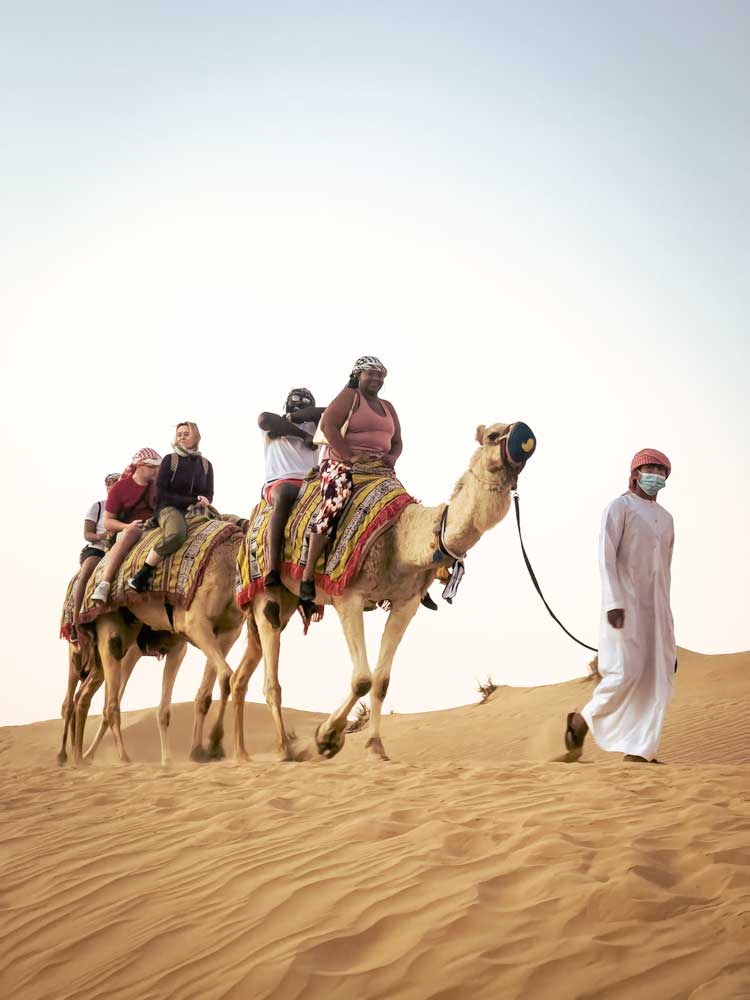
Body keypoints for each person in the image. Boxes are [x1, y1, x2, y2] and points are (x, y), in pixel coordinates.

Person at [565, 448, 676, 764]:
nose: (657, 474)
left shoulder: (666, 519)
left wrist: (667, 628)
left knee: (658, 679)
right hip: (623, 606)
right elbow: (605, 556)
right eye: (651, 467)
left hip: (657, 610)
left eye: (662, 470)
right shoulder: (619, 507)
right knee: (623, 673)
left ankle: (641, 751)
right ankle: (580, 721)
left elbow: (665, 571)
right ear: (636, 473)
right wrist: (613, 601)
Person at [300, 356, 403, 603]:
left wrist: (392, 458)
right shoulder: (350, 397)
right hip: (340, 463)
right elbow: (328, 426)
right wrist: (349, 456)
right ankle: (307, 573)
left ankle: (405, 580)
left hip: (379, 468)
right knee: (338, 497)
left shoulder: (388, 406)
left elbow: (397, 442)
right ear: (358, 375)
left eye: (380, 375)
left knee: (403, 506)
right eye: (371, 374)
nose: (376, 379)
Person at [127, 422, 213, 592]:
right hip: (169, 508)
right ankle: (143, 573)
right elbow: (162, 494)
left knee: (230, 523)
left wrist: (205, 500)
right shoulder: (170, 460)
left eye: (186, 434)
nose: (181, 437)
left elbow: (209, 493)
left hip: (196, 509)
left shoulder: (206, 464)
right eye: (179, 434)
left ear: (195, 437)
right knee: (176, 534)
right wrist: (192, 499)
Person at [258, 388, 325, 592]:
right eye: (295, 400)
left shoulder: (317, 426)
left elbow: (330, 410)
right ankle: (272, 568)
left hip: (311, 482)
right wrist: (302, 434)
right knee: (286, 494)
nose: (300, 403)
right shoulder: (274, 424)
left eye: (306, 402)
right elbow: (264, 419)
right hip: (280, 481)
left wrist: (296, 418)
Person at [90, 447, 162, 603]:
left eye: (157, 467)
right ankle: (105, 583)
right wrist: (126, 526)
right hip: (130, 528)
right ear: (140, 466)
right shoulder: (120, 489)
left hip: (155, 526)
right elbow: (108, 522)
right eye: (152, 467)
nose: (156, 471)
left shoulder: (158, 487)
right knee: (131, 533)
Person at [69, 473, 120, 641]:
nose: (112, 487)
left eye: (116, 483)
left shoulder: (127, 508)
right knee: (87, 571)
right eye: (109, 484)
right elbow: (87, 534)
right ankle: (77, 621)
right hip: (98, 549)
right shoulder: (98, 507)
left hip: (119, 548)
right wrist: (103, 536)